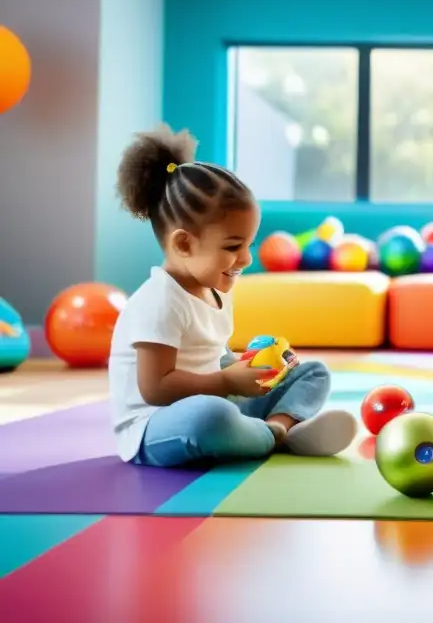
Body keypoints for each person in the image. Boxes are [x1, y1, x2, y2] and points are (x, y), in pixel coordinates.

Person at [107, 124, 357, 467]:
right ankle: (274, 435)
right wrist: (227, 381)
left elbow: (213, 357)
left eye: (248, 244)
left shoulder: (214, 290)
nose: (247, 259)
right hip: (157, 425)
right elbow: (155, 387)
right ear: (183, 243)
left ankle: (275, 428)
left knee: (312, 372)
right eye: (232, 246)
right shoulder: (159, 301)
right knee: (211, 418)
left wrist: (250, 367)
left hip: (216, 398)